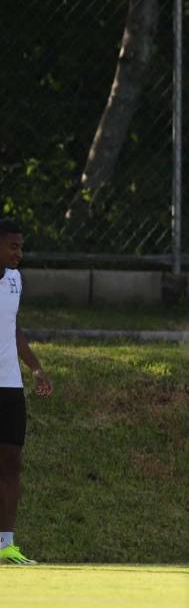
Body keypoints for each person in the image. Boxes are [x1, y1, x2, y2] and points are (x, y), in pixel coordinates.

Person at [0, 220, 53, 565]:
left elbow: (13, 328)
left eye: (21, 247)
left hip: (9, 385)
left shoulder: (16, 280)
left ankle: (5, 545)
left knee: (11, 464)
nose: (20, 253)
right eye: (13, 246)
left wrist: (35, 367)